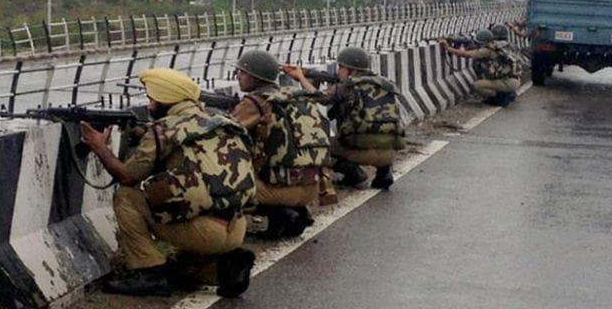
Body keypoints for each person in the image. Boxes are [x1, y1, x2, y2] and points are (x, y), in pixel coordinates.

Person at [80, 68, 257, 298]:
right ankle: (225, 269)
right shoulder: (222, 122)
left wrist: (99, 146)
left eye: (153, 99)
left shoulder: (162, 130)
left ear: (167, 99)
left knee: (126, 196)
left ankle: (148, 273)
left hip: (204, 232)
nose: (150, 105)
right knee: (180, 271)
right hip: (236, 226)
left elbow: (127, 176)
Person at [230, 50, 332, 239]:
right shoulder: (297, 96)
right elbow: (321, 97)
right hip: (312, 186)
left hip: (278, 190)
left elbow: (227, 131)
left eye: (242, 72)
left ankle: (280, 213)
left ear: (254, 76)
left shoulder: (256, 102)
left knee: (222, 184)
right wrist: (300, 77)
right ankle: (296, 213)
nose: (238, 77)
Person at [282, 46, 405, 190]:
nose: (338, 70)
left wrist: (301, 77)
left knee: (319, 148)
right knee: (381, 132)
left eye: (341, 67)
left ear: (351, 70)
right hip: (390, 152)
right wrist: (309, 72)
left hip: (359, 148)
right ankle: (384, 173)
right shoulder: (385, 84)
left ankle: (354, 174)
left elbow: (320, 97)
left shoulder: (348, 86)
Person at [440, 29, 522, 107]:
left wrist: (448, 48)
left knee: (477, 85)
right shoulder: (500, 47)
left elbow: (467, 54)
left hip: (507, 82)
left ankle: (502, 96)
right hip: (515, 80)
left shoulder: (487, 50)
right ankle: (508, 93)